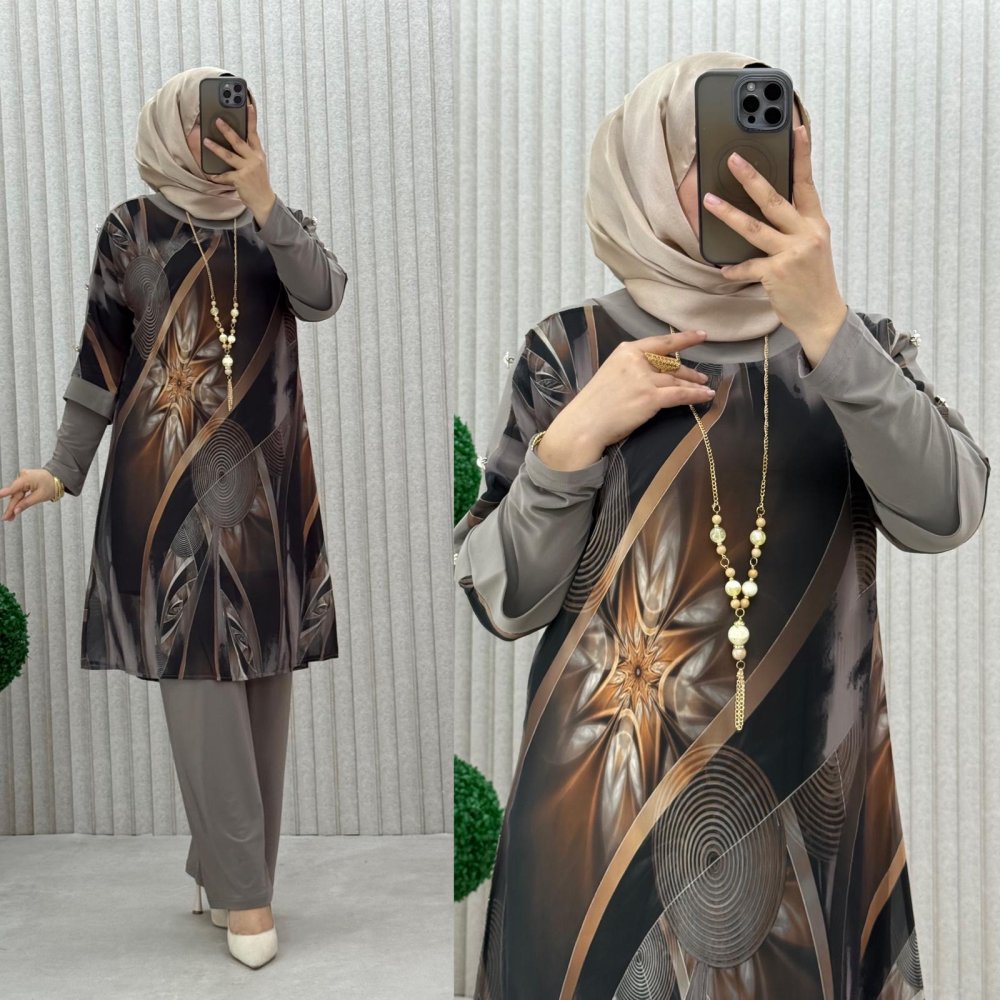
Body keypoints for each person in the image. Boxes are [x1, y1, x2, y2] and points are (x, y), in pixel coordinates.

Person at [454, 51, 989, 999]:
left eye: (770, 141)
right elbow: (501, 599)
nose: (741, 172)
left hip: (810, 839)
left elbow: (948, 512)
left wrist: (829, 330)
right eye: (707, 146)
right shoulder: (569, 351)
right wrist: (570, 442)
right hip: (595, 837)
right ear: (647, 168)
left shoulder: (855, 347)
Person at [0, 66, 347, 969]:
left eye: (242, 117)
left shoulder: (278, 225)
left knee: (264, 687)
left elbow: (324, 295)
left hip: (269, 496)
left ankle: (219, 867)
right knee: (200, 690)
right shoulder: (131, 229)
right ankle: (246, 893)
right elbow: (101, 360)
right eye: (209, 121)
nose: (227, 134)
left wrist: (266, 201)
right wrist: (62, 470)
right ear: (171, 130)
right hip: (164, 497)